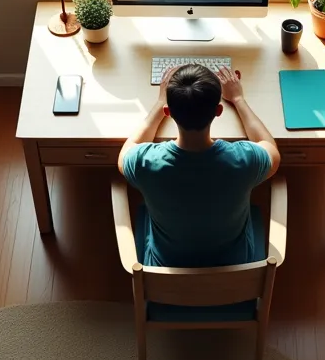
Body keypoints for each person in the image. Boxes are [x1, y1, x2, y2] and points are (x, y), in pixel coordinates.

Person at [118, 64, 282, 268]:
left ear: (168, 112)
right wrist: (239, 99)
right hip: (234, 272)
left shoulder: (147, 162)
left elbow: (124, 154)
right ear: (218, 111)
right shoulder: (242, 160)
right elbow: (272, 152)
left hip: (166, 276)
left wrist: (160, 103)